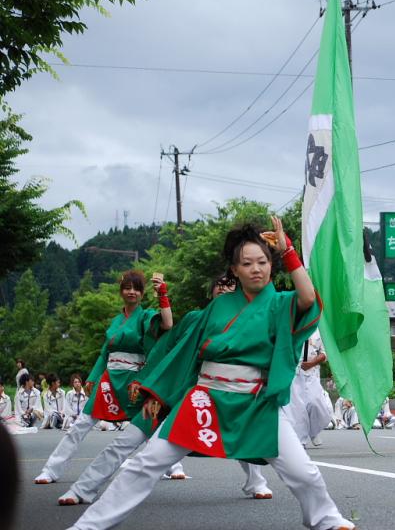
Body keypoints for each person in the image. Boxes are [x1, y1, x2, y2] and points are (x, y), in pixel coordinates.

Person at [66, 219, 355, 530]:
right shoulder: (215, 310)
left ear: (272, 265)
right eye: (246, 263)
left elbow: (309, 299)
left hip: (255, 403)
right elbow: (183, 354)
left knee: (303, 472)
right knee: (145, 462)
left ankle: (326, 519)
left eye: (262, 262)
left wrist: (288, 252)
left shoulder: (281, 304)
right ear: (234, 269)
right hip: (205, 398)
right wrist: (158, 393)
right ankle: (89, 526)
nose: (256, 269)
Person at [56, 274, 272, 506]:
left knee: (241, 434)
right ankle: (83, 488)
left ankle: (256, 482)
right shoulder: (194, 319)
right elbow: (165, 347)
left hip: (218, 393)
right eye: (219, 285)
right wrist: (146, 383)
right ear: (211, 293)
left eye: (230, 286)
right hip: (172, 391)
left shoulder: (247, 323)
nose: (224, 289)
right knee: (128, 439)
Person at [34, 269, 173, 484]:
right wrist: (92, 377)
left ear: (143, 293)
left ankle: (172, 465)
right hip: (109, 380)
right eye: (127, 287)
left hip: (134, 382)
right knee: (81, 423)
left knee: (151, 422)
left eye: (137, 288)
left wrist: (162, 293)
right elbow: (104, 353)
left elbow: (167, 324)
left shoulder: (145, 316)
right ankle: (51, 470)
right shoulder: (115, 321)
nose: (132, 292)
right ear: (121, 291)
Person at [286, 329, 335, 446]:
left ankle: (314, 431)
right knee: (298, 407)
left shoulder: (319, 330)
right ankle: (300, 440)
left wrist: (311, 363)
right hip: (294, 372)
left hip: (312, 372)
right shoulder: (291, 324)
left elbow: (324, 353)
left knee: (316, 404)